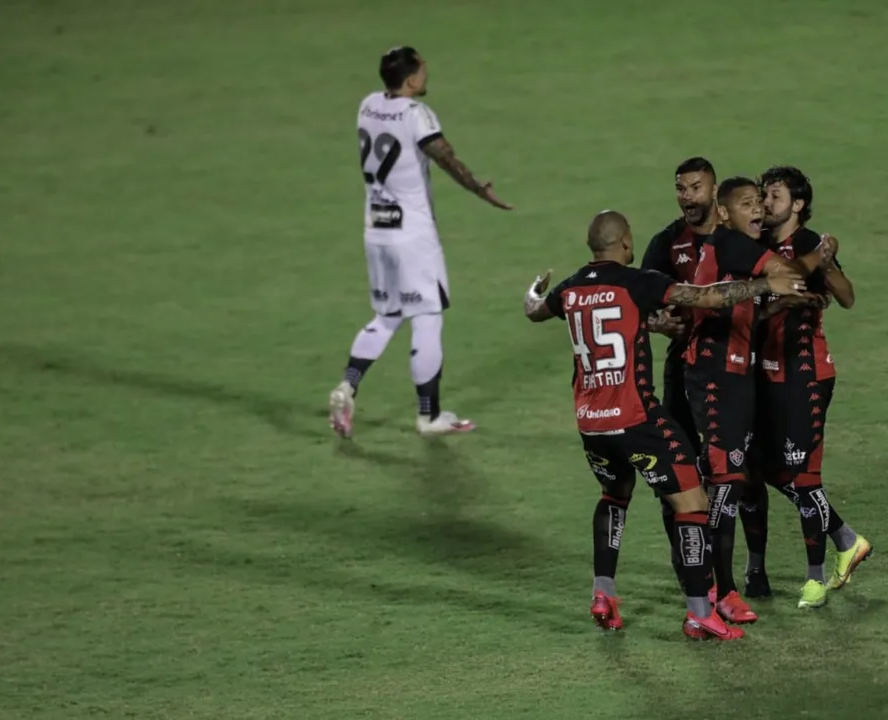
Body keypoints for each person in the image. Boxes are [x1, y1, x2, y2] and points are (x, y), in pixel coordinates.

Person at [523, 210, 805, 639]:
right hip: (636, 419)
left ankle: (604, 594)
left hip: (591, 424)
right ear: (623, 243)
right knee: (692, 503)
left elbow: (533, 311)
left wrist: (533, 290)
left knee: (614, 497)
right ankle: (699, 613)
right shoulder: (637, 282)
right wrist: (768, 284)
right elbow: (707, 296)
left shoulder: (570, 289)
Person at [329, 46, 512, 438]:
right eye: (423, 71)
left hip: (376, 228)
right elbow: (444, 157)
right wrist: (481, 189)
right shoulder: (417, 115)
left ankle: (347, 385)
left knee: (387, 316)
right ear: (411, 79)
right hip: (412, 234)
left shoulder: (368, 104)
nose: (427, 76)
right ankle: (429, 415)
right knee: (427, 317)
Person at [685, 177, 835, 624]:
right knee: (724, 486)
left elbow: (747, 302)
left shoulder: (735, 249)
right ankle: (715, 591)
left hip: (737, 377)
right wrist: (821, 254)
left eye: (759, 203)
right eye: (747, 204)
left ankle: (723, 589)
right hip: (715, 377)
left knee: (732, 482)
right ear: (726, 212)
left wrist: (778, 302)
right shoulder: (729, 244)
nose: (758, 211)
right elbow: (786, 272)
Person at [747, 166, 871, 609]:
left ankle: (815, 578)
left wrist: (827, 261)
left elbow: (847, 295)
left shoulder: (807, 243)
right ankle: (846, 539)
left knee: (803, 475)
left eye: (774, 195)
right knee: (767, 471)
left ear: (797, 204)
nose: (765, 202)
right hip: (767, 372)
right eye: (763, 194)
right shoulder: (759, 243)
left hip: (806, 372)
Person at [640, 157, 721, 579]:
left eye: (695, 187)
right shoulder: (667, 243)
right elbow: (640, 306)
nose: (687, 196)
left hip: (735, 368)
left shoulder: (737, 235)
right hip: (684, 369)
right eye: (681, 188)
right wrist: (657, 323)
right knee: (680, 467)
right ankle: (690, 562)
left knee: (741, 471)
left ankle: (749, 570)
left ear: (713, 188)